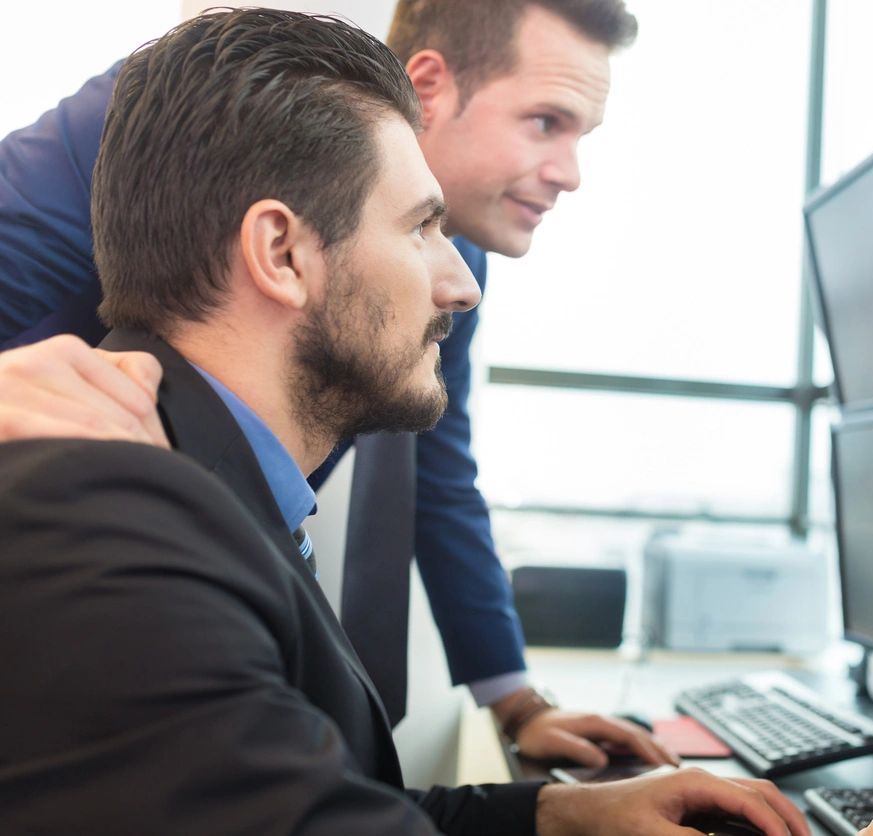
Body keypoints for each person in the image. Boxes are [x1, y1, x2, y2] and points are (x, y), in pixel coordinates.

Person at [0, 10, 822, 834]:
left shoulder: (436, 266)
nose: (570, 172)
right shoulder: (177, 119)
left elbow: (439, 471)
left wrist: (527, 729)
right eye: (546, 121)